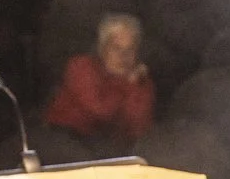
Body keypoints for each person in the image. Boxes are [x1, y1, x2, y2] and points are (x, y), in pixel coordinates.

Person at [44, 12, 155, 151]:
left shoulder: (139, 81)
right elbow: (100, 111)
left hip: (108, 148)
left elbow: (139, 128)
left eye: (130, 49)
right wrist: (127, 85)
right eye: (116, 48)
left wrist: (134, 87)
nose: (123, 56)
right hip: (64, 140)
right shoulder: (81, 66)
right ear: (102, 48)